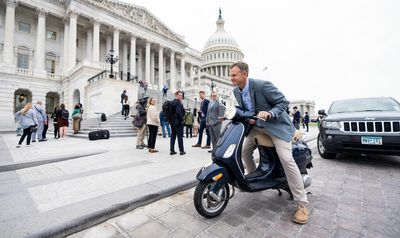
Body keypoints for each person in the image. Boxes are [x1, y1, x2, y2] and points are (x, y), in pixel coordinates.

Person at [229, 62, 309, 224]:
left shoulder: (262, 85)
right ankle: (254, 180)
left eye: (234, 75)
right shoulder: (236, 91)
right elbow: (247, 109)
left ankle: (302, 203)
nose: (231, 78)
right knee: (244, 151)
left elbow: (283, 103)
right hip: (258, 127)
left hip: (277, 127)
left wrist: (270, 113)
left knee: (286, 159)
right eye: (231, 75)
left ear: (244, 74)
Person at [170, 90, 186, 155]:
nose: (181, 96)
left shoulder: (172, 102)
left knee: (173, 136)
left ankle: (172, 150)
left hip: (172, 122)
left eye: (182, 95)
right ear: (176, 95)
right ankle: (181, 151)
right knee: (180, 136)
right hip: (177, 122)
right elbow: (179, 112)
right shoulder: (178, 103)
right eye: (180, 95)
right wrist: (182, 120)